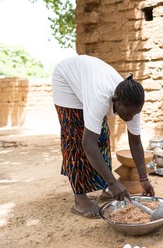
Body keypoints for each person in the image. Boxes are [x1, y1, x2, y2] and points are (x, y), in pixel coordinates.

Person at [52, 55, 155, 218]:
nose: (130, 118)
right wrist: (114, 181)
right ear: (114, 101)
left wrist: (143, 178)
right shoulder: (100, 98)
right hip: (66, 80)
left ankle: (106, 187)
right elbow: (88, 144)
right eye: (127, 114)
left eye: (134, 114)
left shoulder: (132, 106)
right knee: (76, 137)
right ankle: (80, 199)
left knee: (102, 136)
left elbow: (135, 142)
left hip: (89, 78)